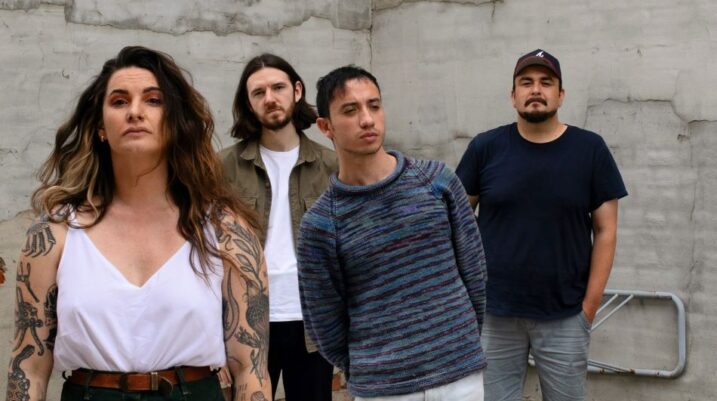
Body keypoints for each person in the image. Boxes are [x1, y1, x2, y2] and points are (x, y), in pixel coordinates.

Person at [6, 46, 271, 401]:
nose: (134, 112)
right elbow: (28, 369)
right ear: (101, 127)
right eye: (119, 101)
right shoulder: (54, 234)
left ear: (175, 120)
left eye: (153, 100)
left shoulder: (226, 231)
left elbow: (251, 370)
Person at [297, 65, 488, 400]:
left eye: (374, 105)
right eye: (350, 110)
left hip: (460, 377)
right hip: (383, 389)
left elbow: (474, 273)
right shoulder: (321, 224)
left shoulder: (437, 181)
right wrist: (371, 368)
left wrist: (461, 341)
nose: (367, 119)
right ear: (325, 126)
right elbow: (324, 322)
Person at [455, 49, 628, 401]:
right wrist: (466, 296)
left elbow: (606, 231)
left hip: (566, 314)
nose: (536, 89)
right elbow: (455, 222)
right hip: (495, 313)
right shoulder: (485, 148)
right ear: (513, 95)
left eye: (546, 83)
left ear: (560, 95)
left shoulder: (590, 150)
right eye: (526, 82)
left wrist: (589, 307)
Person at [219, 53, 336, 401]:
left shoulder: (331, 165)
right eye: (258, 92)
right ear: (248, 103)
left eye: (278, 88)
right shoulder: (223, 167)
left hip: (312, 321)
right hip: (247, 321)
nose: (270, 98)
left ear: (297, 91)